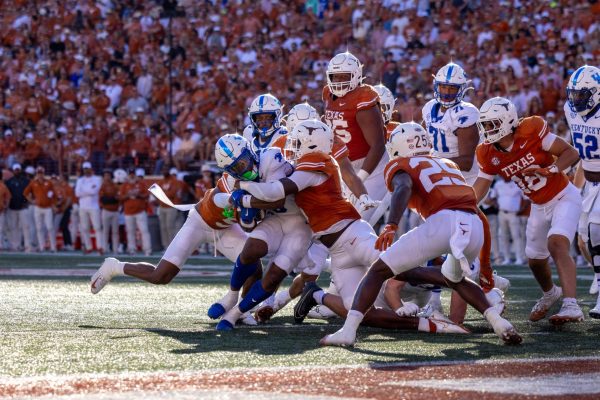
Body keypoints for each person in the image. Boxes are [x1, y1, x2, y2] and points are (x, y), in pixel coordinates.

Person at [237, 120, 471, 336]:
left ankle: (473, 287)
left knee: (402, 270)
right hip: (338, 252)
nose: (293, 149)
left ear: (312, 144)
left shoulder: (317, 162)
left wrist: (243, 190)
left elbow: (276, 191)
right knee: (360, 313)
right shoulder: (305, 166)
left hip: (352, 235)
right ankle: (431, 325)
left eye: (297, 144)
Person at [319, 121, 521, 347]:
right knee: (454, 278)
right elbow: (474, 209)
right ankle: (498, 322)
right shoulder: (447, 164)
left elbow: (403, 186)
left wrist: (392, 224)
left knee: (377, 270)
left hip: (442, 221)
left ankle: (348, 331)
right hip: (473, 225)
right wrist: (484, 266)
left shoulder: (401, 163)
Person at [90, 137, 248, 297]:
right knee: (160, 276)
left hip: (225, 227)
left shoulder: (260, 172)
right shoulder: (233, 177)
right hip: (200, 223)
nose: (246, 163)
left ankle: (244, 308)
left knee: (253, 264)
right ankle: (114, 266)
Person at [473, 97, 583, 325]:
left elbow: (571, 153)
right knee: (534, 259)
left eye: (492, 123)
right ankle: (550, 293)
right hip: (538, 204)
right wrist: (462, 203)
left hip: (564, 196)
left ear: (508, 120)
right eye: (484, 124)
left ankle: (571, 305)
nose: (487, 130)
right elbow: (481, 186)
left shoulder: (531, 130)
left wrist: (550, 169)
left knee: (557, 243)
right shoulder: (487, 153)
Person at [421, 62, 500, 323]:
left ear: (462, 90)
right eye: (442, 87)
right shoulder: (428, 109)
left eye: (451, 88)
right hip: (440, 178)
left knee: (459, 242)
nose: (445, 93)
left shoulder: (467, 113)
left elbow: (466, 160)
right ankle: (434, 301)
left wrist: (434, 162)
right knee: (434, 238)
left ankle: (485, 286)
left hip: (464, 180)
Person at [211, 133, 313, 330]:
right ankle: (231, 296)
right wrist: (247, 214)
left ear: (250, 151)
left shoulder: (271, 157)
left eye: (242, 163)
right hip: (275, 220)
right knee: (250, 250)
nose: (243, 169)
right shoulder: (236, 181)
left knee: (273, 277)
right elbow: (248, 225)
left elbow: (277, 198)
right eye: (235, 169)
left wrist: (244, 197)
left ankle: (235, 314)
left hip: (300, 224)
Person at [323, 52, 387, 222]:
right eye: (335, 77)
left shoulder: (363, 98)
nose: (339, 81)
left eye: (344, 76)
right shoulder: (327, 94)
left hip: (371, 164)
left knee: (360, 221)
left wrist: (361, 178)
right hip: (344, 164)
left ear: (356, 76)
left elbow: (378, 145)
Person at [563, 65, 600, 318]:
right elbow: (580, 155)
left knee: (596, 232)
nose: (576, 100)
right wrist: (574, 189)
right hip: (587, 180)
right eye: (573, 94)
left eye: (581, 94)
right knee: (583, 238)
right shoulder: (570, 111)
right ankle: (598, 274)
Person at [23, 166, 56, 252]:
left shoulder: (49, 183)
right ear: (37, 174)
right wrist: (32, 201)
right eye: (38, 173)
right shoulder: (33, 183)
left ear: (43, 174)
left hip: (47, 208)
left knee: (50, 227)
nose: (40, 175)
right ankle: (42, 247)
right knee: (39, 228)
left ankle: (53, 246)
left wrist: (52, 204)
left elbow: (53, 194)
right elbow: (25, 193)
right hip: (38, 208)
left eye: (41, 173)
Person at [119, 168, 151, 256]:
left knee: (144, 230)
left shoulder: (141, 184)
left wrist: (139, 195)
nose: (132, 175)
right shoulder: (124, 185)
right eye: (130, 174)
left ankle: (147, 249)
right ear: (128, 175)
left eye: (133, 174)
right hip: (128, 212)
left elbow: (147, 195)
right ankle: (132, 249)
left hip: (140, 211)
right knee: (130, 231)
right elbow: (120, 198)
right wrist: (128, 195)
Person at [494, 176, 525, 265]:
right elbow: (493, 197)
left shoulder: (517, 184)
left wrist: (521, 209)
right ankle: (507, 258)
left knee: (516, 236)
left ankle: (519, 258)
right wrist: (497, 205)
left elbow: (526, 198)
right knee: (504, 236)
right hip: (502, 213)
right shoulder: (498, 184)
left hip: (514, 214)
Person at [156, 167, 188, 248]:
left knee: (170, 226)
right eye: (163, 170)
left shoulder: (176, 182)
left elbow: (173, 193)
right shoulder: (161, 181)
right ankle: (165, 246)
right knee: (163, 227)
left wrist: (163, 194)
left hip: (171, 206)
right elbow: (157, 193)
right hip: (162, 206)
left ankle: (172, 246)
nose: (164, 172)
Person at [75, 161, 103, 254]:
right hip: (83, 206)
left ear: (91, 169)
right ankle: (88, 247)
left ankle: (100, 247)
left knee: (97, 227)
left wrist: (84, 191)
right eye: (84, 169)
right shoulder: (80, 180)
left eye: (87, 168)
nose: (86, 170)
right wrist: (88, 191)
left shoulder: (97, 179)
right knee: (85, 228)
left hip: (94, 206)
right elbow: (77, 193)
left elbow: (94, 191)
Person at [5, 163, 33, 252]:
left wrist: (26, 203)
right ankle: (15, 245)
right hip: (12, 208)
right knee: (13, 227)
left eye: (18, 169)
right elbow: (7, 195)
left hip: (23, 207)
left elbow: (29, 193)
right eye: (15, 170)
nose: (17, 171)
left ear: (20, 170)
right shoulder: (9, 182)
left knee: (25, 227)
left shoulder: (26, 181)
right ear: (13, 171)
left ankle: (27, 245)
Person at [99, 169, 120, 254]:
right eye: (105, 175)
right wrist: (112, 198)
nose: (107, 177)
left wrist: (110, 199)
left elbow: (118, 198)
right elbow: (103, 199)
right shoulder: (102, 186)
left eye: (108, 175)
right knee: (105, 231)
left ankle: (115, 249)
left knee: (115, 231)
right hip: (106, 210)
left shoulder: (115, 186)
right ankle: (104, 248)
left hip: (115, 210)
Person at [0, 175, 11, 250]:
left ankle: (0, 244)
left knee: (1, 229)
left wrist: (6, 205)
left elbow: (8, 197)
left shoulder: (3, 186)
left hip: (1, 211)